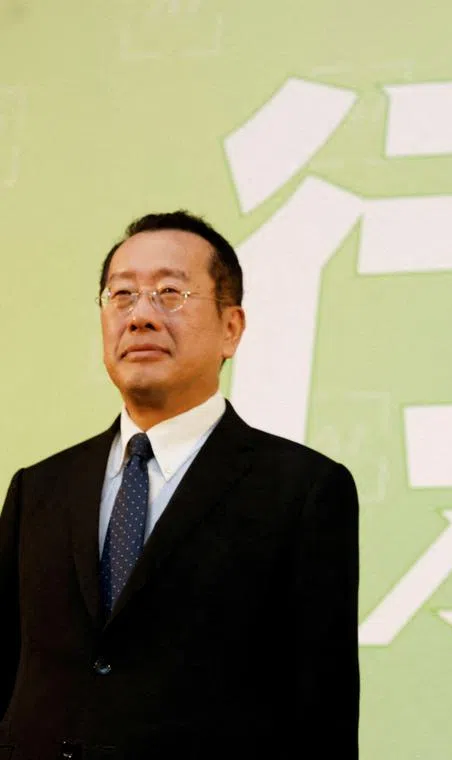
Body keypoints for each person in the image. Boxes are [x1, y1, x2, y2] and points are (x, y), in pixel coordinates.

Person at [0, 212, 360, 758]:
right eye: (121, 295)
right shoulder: (39, 489)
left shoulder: (302, 490)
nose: (140, 316)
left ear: (231, 328)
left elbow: (322, 714)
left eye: (170, 293)